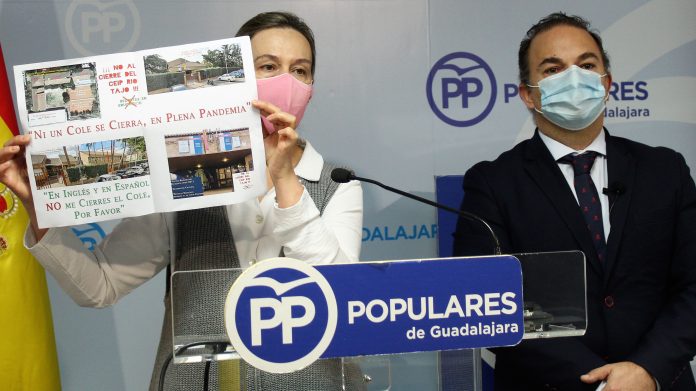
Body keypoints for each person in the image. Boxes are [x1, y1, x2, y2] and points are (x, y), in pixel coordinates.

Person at [0, 11, 364, 391]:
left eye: (300, 70)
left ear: (311, 86)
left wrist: (286, 177)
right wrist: (34, 206)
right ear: (237, 77)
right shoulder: (182, 176)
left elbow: (342, 296)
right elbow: (99, 285)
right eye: (268, 66)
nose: (286, 81)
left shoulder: (338, 183)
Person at [452, 12, 696, 391]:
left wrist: (647, 371)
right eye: (553, 69)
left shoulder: (666, 170)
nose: (573, 78)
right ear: (528, 94)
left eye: (586, 65)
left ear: (607, 83)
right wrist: (600, 385)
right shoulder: (492, 184)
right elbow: (486, 305)